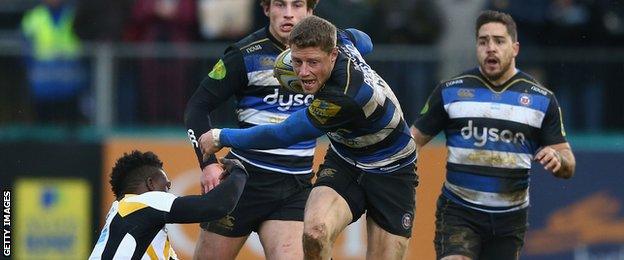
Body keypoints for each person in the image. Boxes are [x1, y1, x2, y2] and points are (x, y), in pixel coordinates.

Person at [198, 16, 418, 259]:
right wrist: (346, 40)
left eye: (313, 62)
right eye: (297, 61)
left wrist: (222, 136)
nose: (303, 72)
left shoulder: (345, 95)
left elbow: (284, 133)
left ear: (333, 55)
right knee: (314, 234)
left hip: (393, 171)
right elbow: (364, 39)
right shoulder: (341, 41)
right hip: (345, 162)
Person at [410, 10, 576, 260]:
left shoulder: (542, 99)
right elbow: (411, 143)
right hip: (459, 211)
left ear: (515, 48)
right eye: (483, 41)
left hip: (510, 219)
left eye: (499, 41)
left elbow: (568, 163)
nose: (490, 48)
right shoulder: (450, 91)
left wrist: (558, 159)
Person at [88, 151, 248, 259]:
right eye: (167, 186)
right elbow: (218, 206)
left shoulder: (124, 214)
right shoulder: (143, 201)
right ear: (150, 184)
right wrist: (239, 171)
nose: (169, 192)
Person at [21, 0, 87, 124]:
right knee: (43, 127)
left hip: (69, 83)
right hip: (42, 85)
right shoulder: (34, 17)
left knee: (70, 127)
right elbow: (25, 49)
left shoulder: (74, 15)